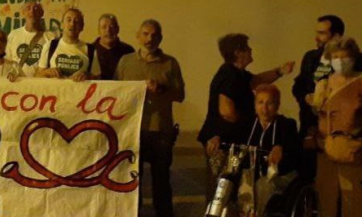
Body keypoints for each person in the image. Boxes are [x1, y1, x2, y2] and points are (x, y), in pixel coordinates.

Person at [198, 34, 295, 196]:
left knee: (230, 185)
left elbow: (257, 80)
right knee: (222, 187)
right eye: (247, 48)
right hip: (222, 142)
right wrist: (251, 123)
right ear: (238, 52)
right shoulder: (229, 75)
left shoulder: (239, 74)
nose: (251, 50)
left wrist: (280, 71)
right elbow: (226, 112)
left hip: (227, 139)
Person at [115, 19, 185, 217]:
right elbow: (115, 92)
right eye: (145, 34)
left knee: (161, 179)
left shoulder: (170, 63)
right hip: (133, 130)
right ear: (138, 36)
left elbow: (180, 95)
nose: (149, 38)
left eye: (154, 35)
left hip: (160, 130)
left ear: (161, 38)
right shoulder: (125, 62)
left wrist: (161, 90)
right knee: (132, 178)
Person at [293, 15, 362, 180]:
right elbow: (299, 84)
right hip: (312, 128)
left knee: (344, 181)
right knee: (311, 176)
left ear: (336, 36)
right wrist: (305, 97)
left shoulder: (359, 60)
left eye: (322, 33)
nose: (317, 37)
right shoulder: (311, 57)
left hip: (343, 134)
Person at [309, 36, 362, 217]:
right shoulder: (325, 82)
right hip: (325, 147)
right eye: (336, 57)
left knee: (353, 199)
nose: (340, 61)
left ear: (353, 57)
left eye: (345, 57)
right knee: (326, 198)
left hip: (351, 148)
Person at [244, 84, 299, 217]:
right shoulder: (247, 125)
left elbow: (291, 146)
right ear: (255, 105)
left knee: (263, 185)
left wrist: (280, 147)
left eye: (270, 103)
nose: (264, 108)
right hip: (253, 172)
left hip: (280, 174)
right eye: (260, 103)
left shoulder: (287, 124)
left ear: (277, 105)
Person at [37, 8, 100, 81]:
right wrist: (46, 73)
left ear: (82, 27)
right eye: (68, 20)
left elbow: (98, 78)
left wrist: (87, 76)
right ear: (62, 25)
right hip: (54, 92)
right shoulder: (50, 46)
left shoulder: (90, 50)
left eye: (76, 21)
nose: (72, 24)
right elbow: (38, 76)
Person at [5, 1, 55, 72]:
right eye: (28, 8)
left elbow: (53, 64)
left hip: (40, 82)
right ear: (23, 13)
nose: (32, 11)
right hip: (17, 81)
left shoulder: (50, 36)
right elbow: (7, 61)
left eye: (36, 8)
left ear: (41, 13)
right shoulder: (13, 35)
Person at [90, 13, 134, 80]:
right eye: (104, 27)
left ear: (118, 29)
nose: (108, 30)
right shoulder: (89, 50)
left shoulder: (128, 51)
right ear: (99, 30)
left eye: (112, 27)